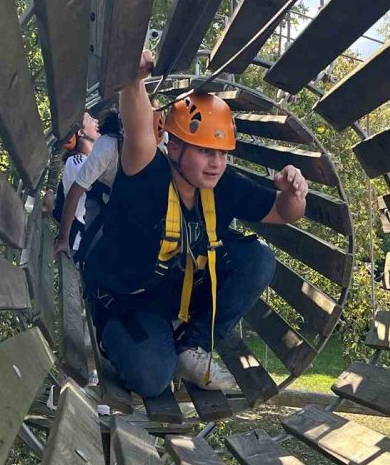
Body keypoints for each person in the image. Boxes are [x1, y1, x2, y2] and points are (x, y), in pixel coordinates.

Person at [82, 49, 308, 396]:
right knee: (153, 379)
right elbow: (139, 126)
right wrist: (135, 80)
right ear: (174, 148)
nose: (216, 163)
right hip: (129, 302)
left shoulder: (222, 184)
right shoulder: (147, 172)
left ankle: (192, 347)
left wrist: (295, 193)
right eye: (204, 150)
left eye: (221, 153)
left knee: (258, 258)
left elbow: (282, 212)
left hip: (178, 298)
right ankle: (127, 344)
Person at [55, 109, 165, 263]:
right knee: (95, 249)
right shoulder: (106, 148)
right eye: (136, 147)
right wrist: (63, 241)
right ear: (122, 137)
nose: (140, 155)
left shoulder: (161, 149)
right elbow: (74, 192)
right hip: (102, 199)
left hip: (134, 197)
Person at [56, 112, 99, 252]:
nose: (96, 121)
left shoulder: (89, 161)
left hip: (92, 238)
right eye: (91, 120)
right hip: (83, 244)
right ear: (81, 132)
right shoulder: (77, 162)